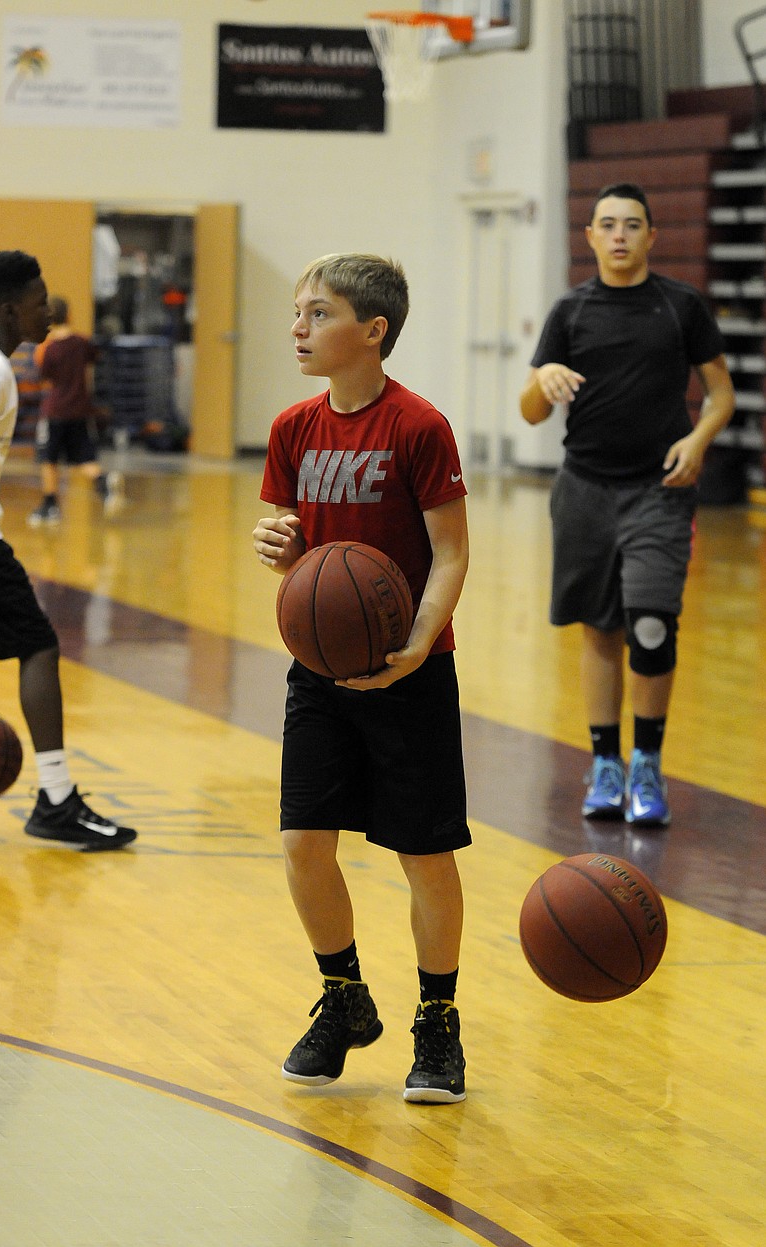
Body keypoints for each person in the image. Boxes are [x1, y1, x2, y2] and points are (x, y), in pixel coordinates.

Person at [252, 254, 471, 1103]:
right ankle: (343, 996)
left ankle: (439, 1020)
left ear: (372, 330)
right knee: (304, 842)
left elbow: (451, 552)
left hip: (412, 671)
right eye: (297, 313)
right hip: (320, 671)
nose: (299, 328)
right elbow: (308, 561)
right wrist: (285, 554)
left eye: (317, 313)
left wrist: (417, 645)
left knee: (425, 853)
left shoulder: (419, 426)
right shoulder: (293, 428)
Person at [520, 183, 735, 827]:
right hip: (584, 489)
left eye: (631, 225)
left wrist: (698, 439)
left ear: (650, 237)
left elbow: (721, 395)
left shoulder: (681, 307)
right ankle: (604, 764)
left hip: (658, 491)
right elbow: (529, 412)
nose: (618, 235)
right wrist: (540, 382)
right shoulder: (571, 312)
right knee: (600, 628)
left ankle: (647, 763)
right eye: (607, 225)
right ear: (589, 236)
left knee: (650, 625)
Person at [0, 250, 136, 851]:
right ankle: (57, 801)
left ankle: (58, 801)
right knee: (37, 646)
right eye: (40, 301)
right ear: (11, 310)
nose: (48, 310)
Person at [28, 295, 122, 526]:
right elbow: (95, 357)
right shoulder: (82, 342)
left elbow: (42, 377)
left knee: (48, 458)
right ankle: (103, 481)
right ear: (69, 315)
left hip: (55, 410)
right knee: (83, 457)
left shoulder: (47, 348)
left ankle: (50, 505)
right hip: (80, 408)